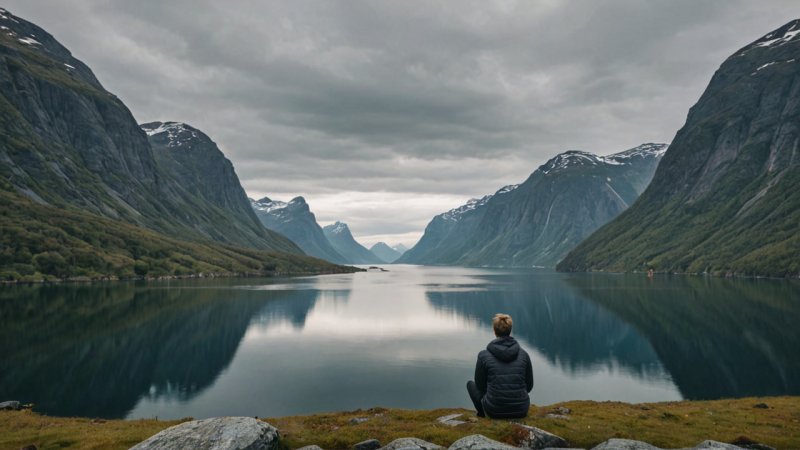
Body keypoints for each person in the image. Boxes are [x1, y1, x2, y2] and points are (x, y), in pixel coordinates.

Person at [466, 313, 533, 418]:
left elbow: (480, 387)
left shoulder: (483, 356)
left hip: (494, 411)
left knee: (470, 384)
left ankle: (482, 414)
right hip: (521, 410)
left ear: (494, 331)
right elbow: (529, 386)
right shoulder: (524, 355)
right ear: (510, 330)